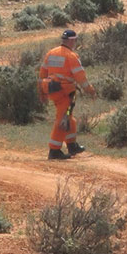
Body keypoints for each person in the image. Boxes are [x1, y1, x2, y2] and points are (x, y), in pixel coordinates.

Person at [39, 29, 96, 160]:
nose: (75, 42)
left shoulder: (51, 53)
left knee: (69, 118)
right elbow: (81, 78)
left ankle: (72, 145)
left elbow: (42, 73)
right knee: (62, 120)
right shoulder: (71, 56)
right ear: (71, 41)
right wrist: (90, 90)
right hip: (65, 92)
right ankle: (54, 151)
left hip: (52, 90)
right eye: (75, 40)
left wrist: (41, 92)